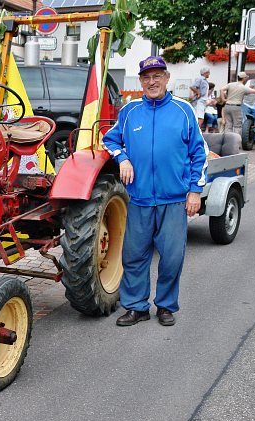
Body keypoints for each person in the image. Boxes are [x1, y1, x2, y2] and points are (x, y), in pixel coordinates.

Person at [102, 56, 208, 327]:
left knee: (172, 258)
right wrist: (123, 158)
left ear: (166, 78)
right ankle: (136, 307)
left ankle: (165, 306)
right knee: (134, 257)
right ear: (140, 81)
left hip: (174, 199)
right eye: (147, 77)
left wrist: (195, 191)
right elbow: (109, 139)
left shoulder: (183, 110)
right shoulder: (130, 111)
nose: (152, 82)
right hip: (139, 199)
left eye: (157, 76)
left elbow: (199, 153)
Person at [220, 71, 255, 136]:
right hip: (236, 107)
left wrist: (223, 99)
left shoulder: (230, 84)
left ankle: (227, 139)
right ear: (243, 78)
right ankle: (236, 139)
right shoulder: (243, 87)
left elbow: (221, 89)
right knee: (237, 125)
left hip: (227, 106)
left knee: (228, 124)